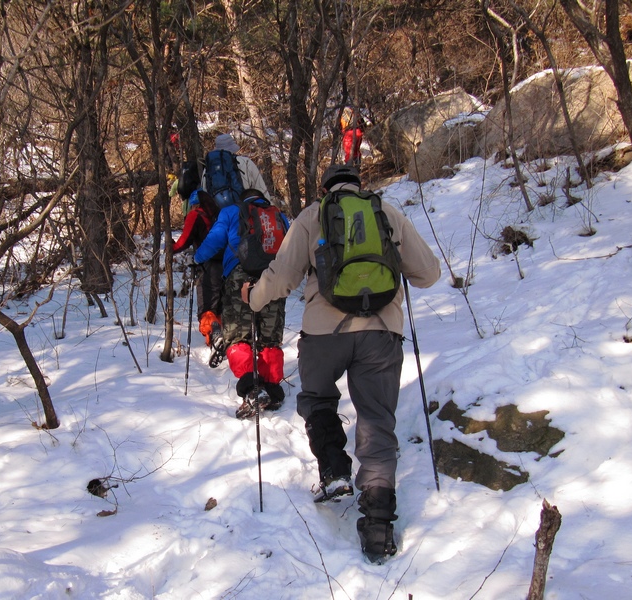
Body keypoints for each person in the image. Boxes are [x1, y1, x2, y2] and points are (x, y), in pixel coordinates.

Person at [240, 164, 440, 563]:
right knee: (377, 419)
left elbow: (281, 277)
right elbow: (429, 274)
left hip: (324, 334)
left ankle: (333, 471)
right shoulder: (387, 213)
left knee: (316, 398)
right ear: (359, 186)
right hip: (383, 332)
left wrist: (252, 297)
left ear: (325, 187)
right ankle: (379, 523)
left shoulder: (313, 216)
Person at [194, 188, 288, 419]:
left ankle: (251, 390)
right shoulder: (278, 215)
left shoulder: (230, 212)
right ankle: (273, 389)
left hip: (239, 276)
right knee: (270, 337)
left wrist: (196, 259)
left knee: (238, 335)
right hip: (274, 276)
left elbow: (214, 240)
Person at [171, 189, 224, 353]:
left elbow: (183, 241)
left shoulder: (196, 215)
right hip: (225, 265)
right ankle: (221, 339)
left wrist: (169, 248)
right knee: (219, 305)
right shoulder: (217, 215)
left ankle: (214, 337)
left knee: (207, 307)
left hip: (207, 266)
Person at [206, 133, 270, 199]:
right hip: (244, 207)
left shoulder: (209, 167)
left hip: (219, 208)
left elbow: (205, 191)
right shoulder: (246, 162)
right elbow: (261, 189)